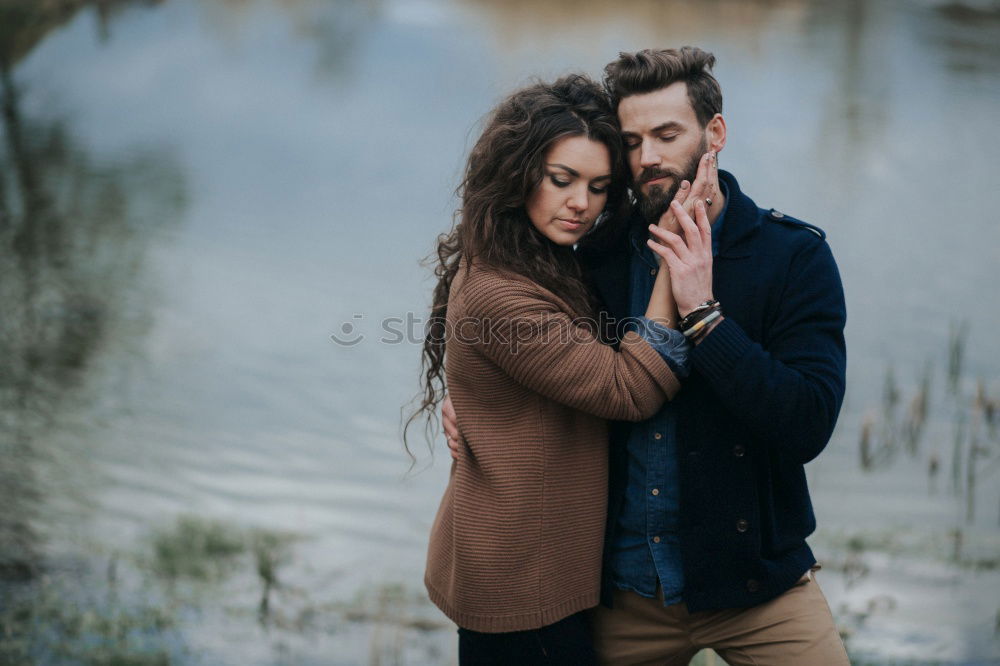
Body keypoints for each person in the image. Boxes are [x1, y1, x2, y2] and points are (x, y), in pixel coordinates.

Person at [443, 47, 850, 664]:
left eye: (667, 134)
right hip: (619, 592)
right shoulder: (596, 255)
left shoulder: (791, 257)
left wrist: (706, 318)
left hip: (757, 588)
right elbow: (530, 337)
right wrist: (475, 404)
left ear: (715, 132)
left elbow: (807, 423)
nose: (648, 158)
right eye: (631, 141)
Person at [408, 73, 717, 665]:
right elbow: (628, 390)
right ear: (518, 173)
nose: (582, 203)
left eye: (601, 186)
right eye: (562, 180)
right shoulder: (502, 291)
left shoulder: (534, 256)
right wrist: (669, 264)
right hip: (522, 580)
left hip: (537, 562)